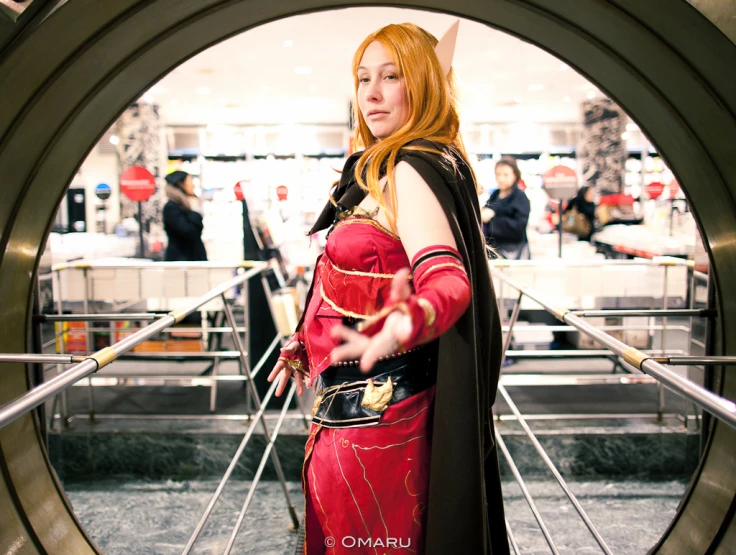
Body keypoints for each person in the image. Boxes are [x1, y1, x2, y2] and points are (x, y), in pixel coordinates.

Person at [267, 21, 509, 555]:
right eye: (362, 78)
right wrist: (306, 341)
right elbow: (350, 273)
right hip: (358, 411)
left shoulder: (409, 167)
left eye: (391, 76)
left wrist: (406, 320)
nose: (371, 94)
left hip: (383, 421)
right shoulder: (387, 164)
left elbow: (449, 280)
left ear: (422, 83)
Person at [481, 157, 531, 259]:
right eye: (498, 174)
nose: (501, 178)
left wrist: (492, 218)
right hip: (494, 252)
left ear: (515, 175)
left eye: (506, 175)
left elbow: (519, 228)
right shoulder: (495, 195)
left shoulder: (520, 197)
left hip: (513, 254)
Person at [162, 170, 207, 261]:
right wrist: (195, 210)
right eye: (190, 182)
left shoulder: (185, 205)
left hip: (192, 259)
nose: (193, 185)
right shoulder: (171, 207)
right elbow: (189, 231)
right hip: (181, 262)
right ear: (180, 184)